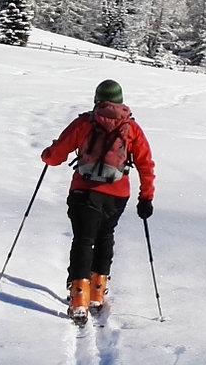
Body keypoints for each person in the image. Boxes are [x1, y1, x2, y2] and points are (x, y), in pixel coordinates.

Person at [40, 79, 156, 321]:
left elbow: (57, 154)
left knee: (83, 239)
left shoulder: (85, 122)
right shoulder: (131, 128)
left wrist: (47, 155)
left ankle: (78, 298)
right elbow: (146, 165)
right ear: (120, 101)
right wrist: (146, 197)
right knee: (105, 236)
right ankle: (97, 293)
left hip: (85, 191)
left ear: (97, 99)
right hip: (117, 195)